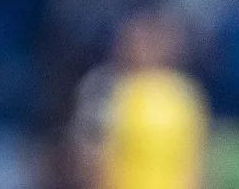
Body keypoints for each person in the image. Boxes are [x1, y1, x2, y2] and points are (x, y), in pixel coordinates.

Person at [73, 11, 209, 189]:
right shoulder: (105, 87)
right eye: (137, 40)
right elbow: (92, 157)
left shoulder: (184, 92)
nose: (143, 48)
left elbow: (195, 159)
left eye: (151, 40)